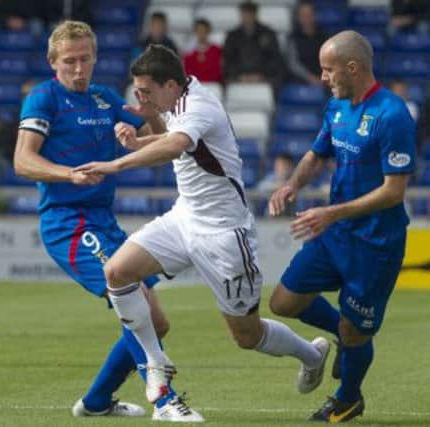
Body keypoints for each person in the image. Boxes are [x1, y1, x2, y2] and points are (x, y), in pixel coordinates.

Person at [74, 44, 330, 413]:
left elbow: (178, 144)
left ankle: (311, 355)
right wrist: (139, 138)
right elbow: (172, 138)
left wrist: (115, 164)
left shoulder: (200, 105)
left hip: (225, 234)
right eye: (138, 91)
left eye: (147, 91)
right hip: (184, 219)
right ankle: (153, 364)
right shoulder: (177, 101)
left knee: (247, 335)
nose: (141, 99)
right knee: (117, 270)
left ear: (172, 84)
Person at [13, 21, 202, 422]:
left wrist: (149, 114)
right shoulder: (43, 98)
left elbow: (165, 141)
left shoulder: (103, 98)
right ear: (53, 62)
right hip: (69, 224)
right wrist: (69, 174)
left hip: (103, 222)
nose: (79, 69)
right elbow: (22, 160)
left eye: (85, 59)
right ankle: (164, 400)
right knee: (138, 303)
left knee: (158, 321)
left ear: (95, 58)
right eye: (69, 61)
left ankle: (97, 401)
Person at [268, 30, 417, 422]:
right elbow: (317, 154)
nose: (322, 77)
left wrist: (331, 212)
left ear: (353, 68)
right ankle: (344, 336)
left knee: (356, 333)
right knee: (284, 301)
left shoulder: (392, 115)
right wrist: (292, 185)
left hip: (375, 243)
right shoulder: (336, 108)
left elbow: (393, 191)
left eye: (328, 69)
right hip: (336, 235)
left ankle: (349, 397)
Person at [223, 0, 285, 92]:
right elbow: (228, 60)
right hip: (238, 78)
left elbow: (275, 59)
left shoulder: (268, 33)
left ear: (256, 15)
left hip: (263, 78)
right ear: (241, 15)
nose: (248, 17)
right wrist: (240, 76)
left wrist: (261, 75)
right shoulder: (232, 36)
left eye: (250, 14)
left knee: (279, 77)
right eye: (245, 14)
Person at [285, 0, 326, 86]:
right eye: (303, 15)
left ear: (314, 16)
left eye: (309, 14)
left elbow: (329, 60)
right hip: (299, 80)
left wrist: (322, 77)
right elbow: (293, 63)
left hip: (323, 80)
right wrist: (309, 77)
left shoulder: (324, 36)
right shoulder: (292, 37)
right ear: (298, 17)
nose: (307, 18)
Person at [182, 18, 222, 84]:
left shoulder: (216, 50)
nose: (201, 34)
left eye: (204, 31)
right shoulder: (188, 52)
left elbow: (217, 71)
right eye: (199, 31)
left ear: (208, 31)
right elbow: (187, 72)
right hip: (194, 86)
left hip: (212, 85)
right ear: (195, 32)